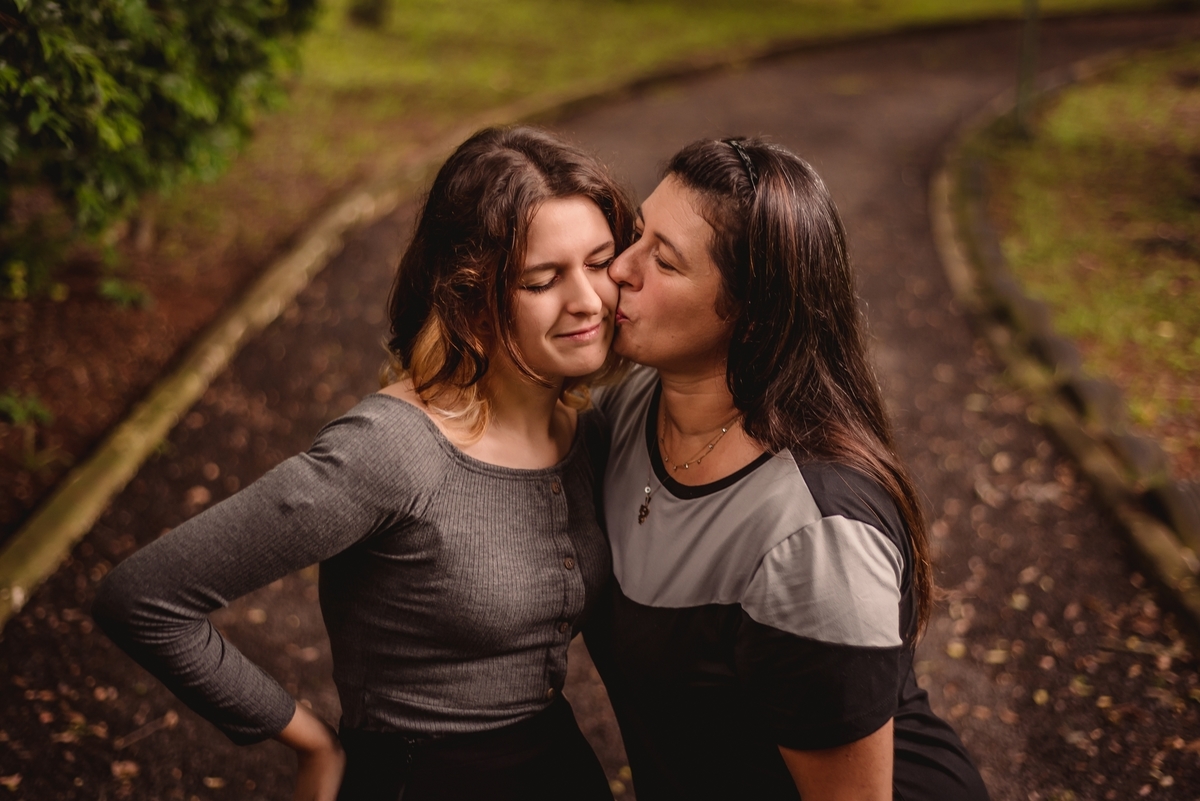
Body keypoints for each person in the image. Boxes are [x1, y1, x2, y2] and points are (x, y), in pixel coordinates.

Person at [94, 125, 634, 801]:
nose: (587, 300)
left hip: (560, 767)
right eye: (542, 279)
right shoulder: (393, 450)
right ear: (469, 297)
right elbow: (144, 597)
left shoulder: (589, 432)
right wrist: (310, 740)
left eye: (600, 261)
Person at [585, 137, 990, 800]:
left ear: (748, 313)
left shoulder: (816, 539)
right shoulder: (632, 404)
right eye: (636, 233)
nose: (620, 269)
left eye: (663, 259)